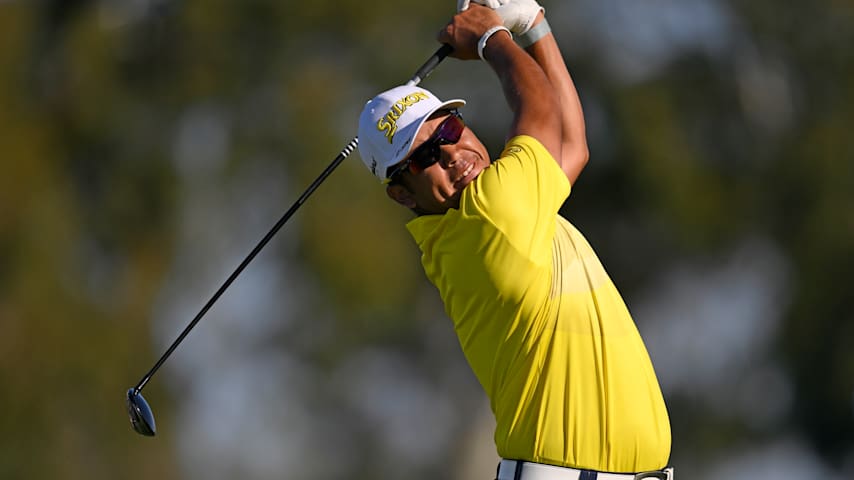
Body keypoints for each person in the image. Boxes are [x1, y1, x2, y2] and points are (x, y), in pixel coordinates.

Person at [357, 1, 673, 479]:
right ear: (402, 194)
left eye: (448, 129)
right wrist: (492, 38)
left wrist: (534, 27)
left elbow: (570, 145)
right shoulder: (488, 216)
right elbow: (542, 113)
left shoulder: (505, 211)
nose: (451, 154)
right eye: (422, 157)